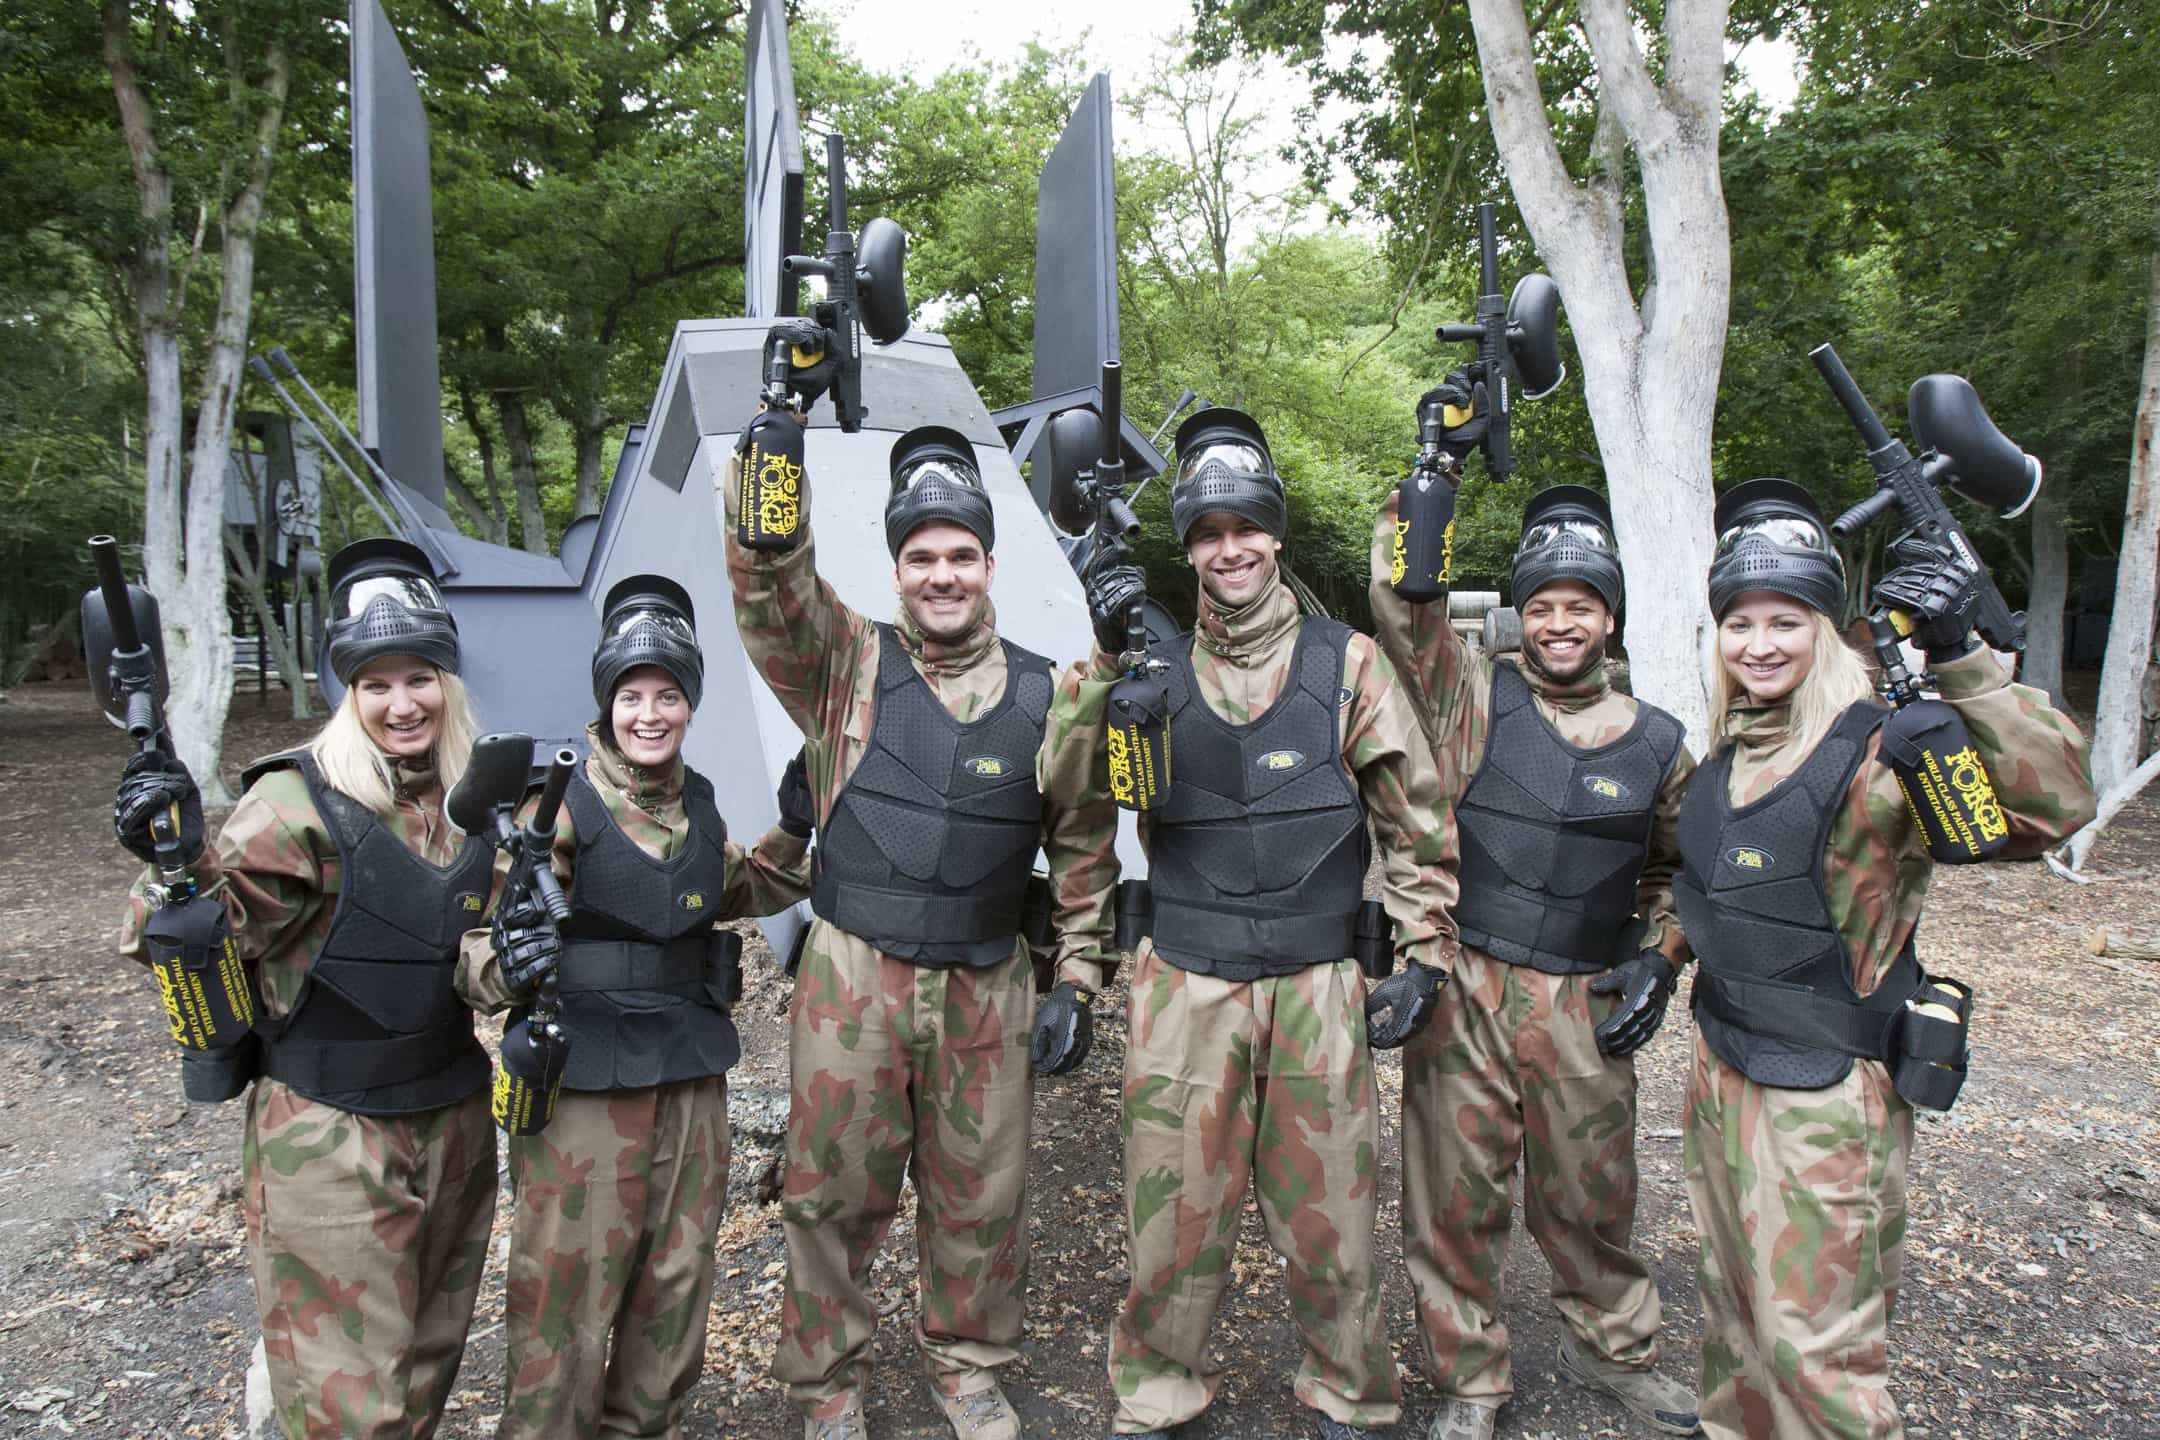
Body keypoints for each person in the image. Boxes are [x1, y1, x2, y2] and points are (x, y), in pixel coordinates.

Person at [721, 387, 1119, 1440]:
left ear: (991, 565)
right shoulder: (844, 666)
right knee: (831, 1193)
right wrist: (772, 457)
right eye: (921, 558)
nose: (942, 575)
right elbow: (769, 584)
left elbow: (1083, 849)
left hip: (987, 982)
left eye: (961, 555)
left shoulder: (1056, 695)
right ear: (895, 568)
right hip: (853, 975)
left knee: (980, 1196)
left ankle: (968, 1366)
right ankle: (828, 1385)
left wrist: (1079, 978)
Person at [1680, 478, 2094, 1438]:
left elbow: (2049, 811)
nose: (1760, 644)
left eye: (1787, 620)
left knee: (1812, 1348)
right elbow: (1711, 892)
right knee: (1735, 1323)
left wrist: (1965, 661)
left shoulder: (1880, 751)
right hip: (1722, 1075)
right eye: (1739, 623)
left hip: (1827, 1096)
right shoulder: (1728, 753)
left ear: (1827, 629)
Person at [1078, 407, 1460, 1440]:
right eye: (1206, 532)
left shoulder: (1350, 664)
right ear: (1188, 548)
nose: (1229, 548)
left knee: (1332, 1218)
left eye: (1247, 526)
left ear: (1276, 533)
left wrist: (1425, 955)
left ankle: (1349, 1390)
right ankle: (1158, 1390)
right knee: (1170, 1218)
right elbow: (1124, 801)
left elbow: (1415, 818)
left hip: (1316, 987)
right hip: (1186, 983)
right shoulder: (1150, 666)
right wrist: (1126, 692)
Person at [1367, 388, 1702, 1440]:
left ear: (1610, 616)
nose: (1561, 623)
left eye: (1582, 605)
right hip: (1465, 987)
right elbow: (1406, 611)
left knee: (1592, 1199)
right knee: (1451, 1200)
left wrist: (1659, 956)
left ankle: (1621, 1355)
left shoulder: (1658, 741)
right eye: (1543, 604)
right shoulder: (1473, 699)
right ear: (1522, 613)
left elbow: (1684, 871)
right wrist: (1432, 478)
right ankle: (1472, 1381)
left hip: (1581, 1005)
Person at [113, 538, 497, 1440]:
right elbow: (180, 934)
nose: (402, 704)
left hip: (451, 1117)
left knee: (425, 1368)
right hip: (330, 1136)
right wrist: (170, 863)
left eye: (420, 678)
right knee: (348, 1404)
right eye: (375, 684)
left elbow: (481, 952)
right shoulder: (298, 802)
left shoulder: (475, 801)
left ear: (448, 682)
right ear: (346, 692)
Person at [457, 574, 816, 1439]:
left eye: (667, 695)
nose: (649, 714)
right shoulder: (559, 805)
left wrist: (796, 826)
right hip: (584, 1085)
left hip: (690, 1076)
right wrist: (515, 957)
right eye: (631, 696)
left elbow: (734, 886)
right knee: (567, 1291)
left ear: (690, 703)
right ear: (605, 701)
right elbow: (475, 961)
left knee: (677, 1280)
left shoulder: (693, 802)